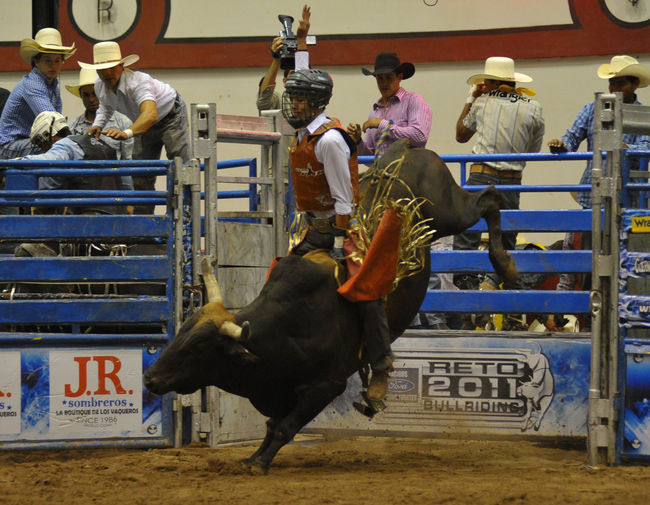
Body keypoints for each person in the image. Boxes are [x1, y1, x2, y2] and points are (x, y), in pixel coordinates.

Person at [281, 68, 394, 404]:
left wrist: (336, 242)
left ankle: (381, 367)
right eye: (293, 97)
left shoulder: (329, 140)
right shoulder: (302, 135)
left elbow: (343, 199)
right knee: (281, 282)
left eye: (300, 99)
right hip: (309, 228)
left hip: (340, 229)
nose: (294, 104)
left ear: (316, 102)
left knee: (366, 292)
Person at [454, 56, 545, 294]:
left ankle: (467, 284)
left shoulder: (482, 103)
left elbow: (461, 135)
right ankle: (494, 282)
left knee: (467, 232)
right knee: (506, 238)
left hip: (481, 176)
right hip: (512, 182)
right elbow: (533, 151)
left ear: (492, 83)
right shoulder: (534, 108)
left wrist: (471, 98)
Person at [79, 41, 190, 214]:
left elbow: (150, 114)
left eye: (111, 68)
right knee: (140, 173)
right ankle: (143, 221)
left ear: (121, 67)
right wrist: (97, 125)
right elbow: (106, 106)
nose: (107, 73)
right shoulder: (100, 85)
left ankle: (185, 216)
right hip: (143, 123)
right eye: (102, 69)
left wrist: (127, 132)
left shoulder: (138, 82)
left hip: (170, 117)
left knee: (181, 168)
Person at [548, 55, 650, 209]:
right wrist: (562, 144)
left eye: (621, 84)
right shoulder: (592, 109)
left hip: (628, 194)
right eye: (612, 83)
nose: (614, 88)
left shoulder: (643, 115)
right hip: (594, 193)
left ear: (635, 84)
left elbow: (645, 148)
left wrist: (625, 148)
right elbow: (572, 136)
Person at [23, 111, 133, 216]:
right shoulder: (100, 144)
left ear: (48, 136)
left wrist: (19, 161)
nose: (42, 149)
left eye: (41, 144)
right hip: (117, 213)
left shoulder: (65, 146)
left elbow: (50, 160)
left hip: (90, 215)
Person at [0, 28, 76, 160]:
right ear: (36, 61)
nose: (53, 66)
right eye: (48, 60)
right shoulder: (32, 83)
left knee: (61, 144)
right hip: (8, 146)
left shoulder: (53, 86)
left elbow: (56, 124)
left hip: (29, 141)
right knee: (61, 146)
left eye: (57, 60)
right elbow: (53, 123)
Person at [346, 52, 432, 159]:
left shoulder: (413, 100)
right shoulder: (374, 113)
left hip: (410, 168)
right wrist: (358, 142)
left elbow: (420, 136)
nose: (384, 83)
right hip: (383, 169)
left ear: (399, 77)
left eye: (389, 77)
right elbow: (371, 160)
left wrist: (381, 124)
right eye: (380, 78)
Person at [65, 68, 133, 162]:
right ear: (81, 96)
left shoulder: (123, 123)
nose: (91, 99)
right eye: (86, 95)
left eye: (95, 94)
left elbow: (127, 161)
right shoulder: (72, 127)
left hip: (113, 171)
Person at [257, 5, 311, 113]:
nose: (298, 79)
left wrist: (302, 41)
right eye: (293, 74)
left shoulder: (313, 99)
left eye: (300, 74)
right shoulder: (279, 99)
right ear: (285, 81)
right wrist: (277, 58)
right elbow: (263, 103)